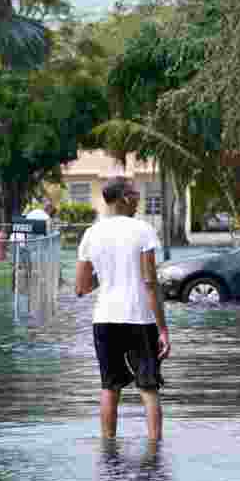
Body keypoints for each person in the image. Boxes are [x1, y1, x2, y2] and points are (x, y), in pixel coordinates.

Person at [75, 177, 170, 441]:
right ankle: (155, 449)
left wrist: (108, 274)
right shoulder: (142, 230)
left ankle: (108, 449)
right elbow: (150, 282)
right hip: (139, 319)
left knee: (110, 387)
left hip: (104, 320)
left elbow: (81, 287)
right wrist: (162, 329)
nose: (139, 200)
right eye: (136, 195)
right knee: (148, 388)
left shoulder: (91, 233)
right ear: (125, 198)